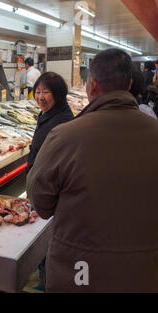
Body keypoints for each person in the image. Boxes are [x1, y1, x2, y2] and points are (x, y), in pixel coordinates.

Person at [26, 48, 158, 293]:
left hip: (79, 272)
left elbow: (40, 203)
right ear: (129, 84)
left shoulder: (65, 135)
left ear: (92, 85)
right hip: (145, 273)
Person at [26, 72, 74, 291]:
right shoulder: (49, 114)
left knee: (49, 240)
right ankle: (45, 279)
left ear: (58, 94)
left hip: (52, 193)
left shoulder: (61, 121)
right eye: (37, 91)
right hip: (45, 188)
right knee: (46, 239)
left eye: (46, 92)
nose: (40, 96)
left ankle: (48, 284)